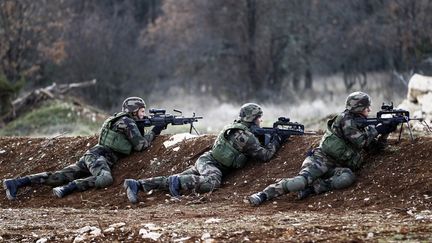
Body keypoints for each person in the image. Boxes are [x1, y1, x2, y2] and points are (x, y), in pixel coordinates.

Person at [248, 91, 398, 206]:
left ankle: (313, 189)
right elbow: (361, 142)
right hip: (320, 160)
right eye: (367, 107)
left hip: (337, 166)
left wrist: (385, 132)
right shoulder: (344, 120)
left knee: (347, 177)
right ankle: (263, 194)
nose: (370, 109)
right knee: (299, 182)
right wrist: (379, 129)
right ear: (358, 108)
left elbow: (375, 148)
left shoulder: (363, 125)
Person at [3, 97, 166, 200]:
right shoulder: (128, 122)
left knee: (57, 176)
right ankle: (68, 188)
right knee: (105, 178)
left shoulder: (121, 120)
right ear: (134, 111)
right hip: (99, 157)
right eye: (142, 111)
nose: (144, 115)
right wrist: (156, 131)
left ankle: (16, 182)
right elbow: (140, 145)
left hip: (93, 155)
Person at [123, 103, 288, 204]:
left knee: (174, 180)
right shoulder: (246, 137)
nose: (261, 121)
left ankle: (137, 184)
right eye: (259, 118)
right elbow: (265, 156)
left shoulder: (235, 127)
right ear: (252, 118)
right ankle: (177, 182)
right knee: (211, 183)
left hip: (205, 160)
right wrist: (277, 140)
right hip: (212, 165)